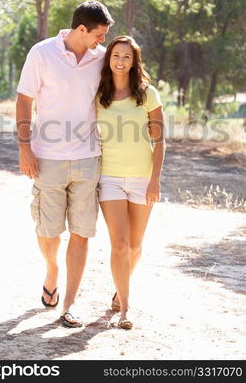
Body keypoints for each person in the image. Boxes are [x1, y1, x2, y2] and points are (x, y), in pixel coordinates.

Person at [16, 0, 114, 328]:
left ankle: (68, 303)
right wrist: (24, 148)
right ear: (81, 29)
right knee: (48, 230)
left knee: (82, 232)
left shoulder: (101, 59)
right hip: (48, 158)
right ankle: (52, 270)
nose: (102, 41)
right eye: (98, 35)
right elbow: (24, 99)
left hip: (88, 158)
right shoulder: (41, 53)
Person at [96, 35, 165, 329]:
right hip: (108, 177)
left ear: (134, 61)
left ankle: (118, 291)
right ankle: (125, 308)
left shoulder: (147, 93)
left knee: (135, 246)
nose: (120, 61)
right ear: (109, 59)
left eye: (126, 56)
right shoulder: (99, 93)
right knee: (120, 244)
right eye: (116, 55)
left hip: (141, 177)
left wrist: (154, 180)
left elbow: (160, 141)